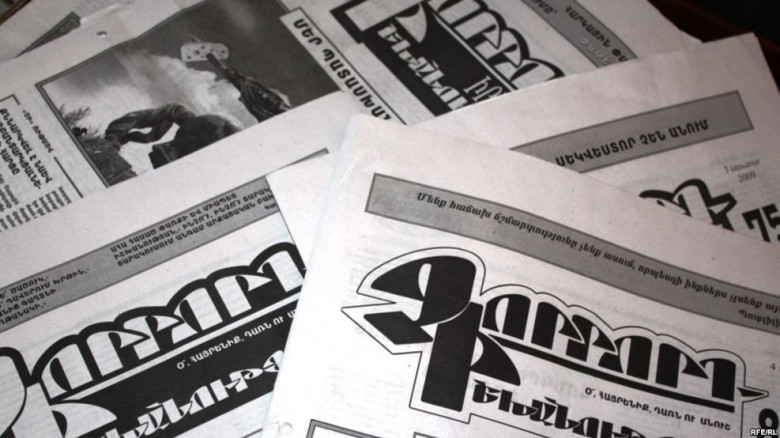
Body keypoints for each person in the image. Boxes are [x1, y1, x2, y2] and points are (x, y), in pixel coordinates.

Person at [104, 103, 241, 168]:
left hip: (210, 132)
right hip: (215, 133)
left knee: (155, 143)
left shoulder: (196, 126)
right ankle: (116, 137)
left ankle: (119, 137)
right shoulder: (189, 120)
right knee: (148, 127)